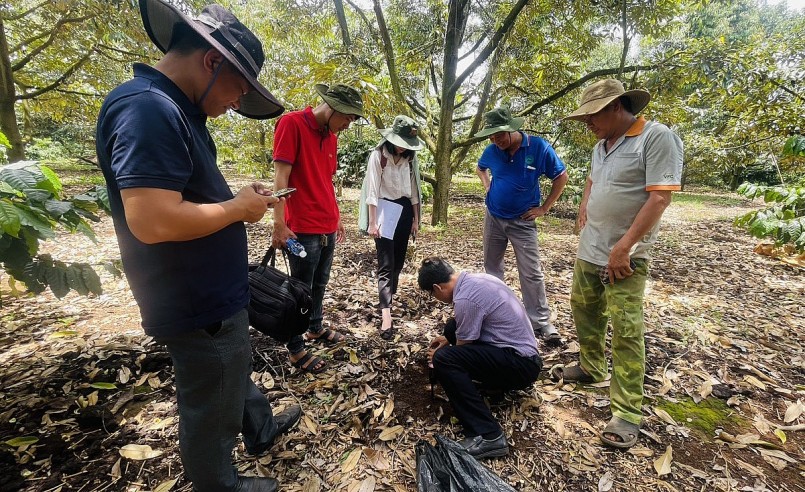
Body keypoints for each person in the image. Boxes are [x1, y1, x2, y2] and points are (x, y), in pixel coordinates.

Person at [96, 2, 301, 491]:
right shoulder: (149, 108)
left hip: (210, 290)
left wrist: (237, 200)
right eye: (239, 87)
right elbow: (150, 219)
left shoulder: (173, 110)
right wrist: (235, 211)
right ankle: (218, 483)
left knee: (229, 369)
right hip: (196, 298)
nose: (237, 101)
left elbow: (182, 197)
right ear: (212, 61)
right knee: (211, 394)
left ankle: (259, 428)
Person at [558, 79, 683, 449]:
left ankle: (627, 412)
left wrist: (625, 246)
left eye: (591, 115)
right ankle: (591, 365)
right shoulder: (602, 145)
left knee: (627, 328)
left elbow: (660, 198)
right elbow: (593, 180)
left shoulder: (656, 137)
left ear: (616, 106)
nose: (587, 124)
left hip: (627, 256)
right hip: (591, 247)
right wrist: (584, 205)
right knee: (584, 308)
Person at [271, 83, 364, 373]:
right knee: (300, 288)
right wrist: (278, 223)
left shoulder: (332, 137)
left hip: (326, 224)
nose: (349, 124)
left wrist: (337, 217)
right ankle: (296, 348)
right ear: (332, 107)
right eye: (348, 117)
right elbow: (281, 177)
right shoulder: (292, 123)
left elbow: (326, 180)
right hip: (301, 228)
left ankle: (315, 326)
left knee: (320, 284)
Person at [419, 257, 542, 459]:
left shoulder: (465, 299)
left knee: (445, 360)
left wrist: (439, 356)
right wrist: (448, 339)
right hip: (522, 355)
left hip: (520, 364)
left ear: (437, 288)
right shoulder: (476, 280)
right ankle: (495, 386)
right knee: (451, 328)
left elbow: (461, 350)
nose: (436, 298)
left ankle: (488, 435)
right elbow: (462, 330)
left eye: (432, 294)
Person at [474, 107, 568, 347]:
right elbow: (480, 167)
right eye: (492, 137)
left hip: (522, 221)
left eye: (500, 136)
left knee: (531, 271)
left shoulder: (538, 147)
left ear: (512, 128)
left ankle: (540, 321)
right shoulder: (492, 150)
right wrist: (488, 186)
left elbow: (561, 176)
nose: (496, 141)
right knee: (492, 268)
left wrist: (544, 208)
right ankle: (496, 314)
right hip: (493, 217)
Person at [358, 115, 425, 340]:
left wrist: (416, 219)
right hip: (384, 210)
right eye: (400, 142)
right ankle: (386, 315)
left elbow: (414, 192)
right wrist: (372, 222)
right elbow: (372, 191)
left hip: (405, 210)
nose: (402, 148)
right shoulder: (379, 156)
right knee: (385, 264)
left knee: (398, 262)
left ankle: (390, 297)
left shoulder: (410, 159)